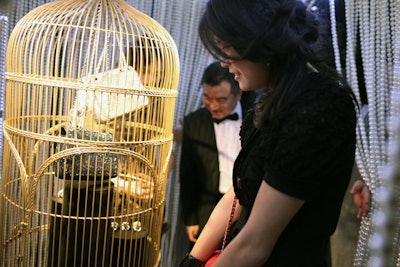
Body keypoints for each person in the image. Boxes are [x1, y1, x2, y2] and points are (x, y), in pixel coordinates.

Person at [179, 0, 358, 266]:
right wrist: (193, 259)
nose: (224, 63)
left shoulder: (319, 106)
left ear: (259, 40)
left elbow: (255, 244)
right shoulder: (269, 102)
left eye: (227, 48)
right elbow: (238, 193)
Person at [179, 62, 256, 247]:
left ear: (239, 93)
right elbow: (187, 175)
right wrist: (190, 219)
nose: (213, 106)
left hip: (248, 206)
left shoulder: (256, 119)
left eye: (221, 99)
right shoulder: (193, 122)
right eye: (207, 97)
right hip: (209, 207)